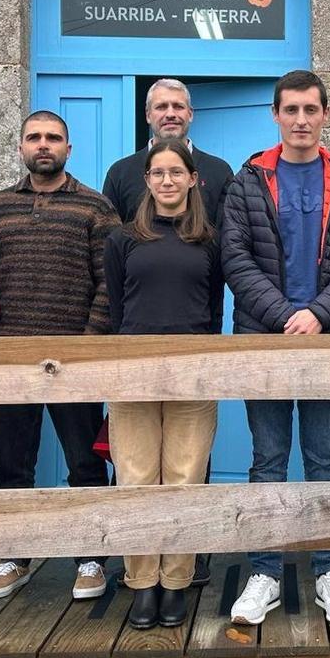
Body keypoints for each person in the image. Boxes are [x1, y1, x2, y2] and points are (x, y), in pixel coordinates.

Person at [221, 69, 330, 625]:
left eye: (311, 110)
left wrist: (318, 313)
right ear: (276, 114)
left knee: (325, 457)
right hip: (265, 339)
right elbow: (234, 258)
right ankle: (265, 571)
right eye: (292, 110)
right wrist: (289, 315)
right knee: (267, 459)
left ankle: (329, 569)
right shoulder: (249, 179)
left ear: (325, 115)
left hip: (327, 340)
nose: (302, 121)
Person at [0, 111, 118, 602]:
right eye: (34, 137)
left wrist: (85, 343)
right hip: (10, 362)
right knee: (12, 466)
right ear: (21, 147)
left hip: (74, 360)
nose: (43, 145)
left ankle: (91, 556)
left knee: (84, 463)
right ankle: (16, 554)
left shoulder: (96, 208)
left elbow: (109, 284)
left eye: (53, 138)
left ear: (68, 149)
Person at [102, 78, 233, 586]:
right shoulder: (122, 202)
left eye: (179, 105)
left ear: (193, 179)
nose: (166, 180)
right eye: (161, 106)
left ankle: (180, 575)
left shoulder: (219, 187)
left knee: (185, 473)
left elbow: (215, 295)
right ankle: (141, 580)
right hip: (134, 364)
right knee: (136, 476)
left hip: (193, 361)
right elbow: (117, 299)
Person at [103, 78, 234, 224]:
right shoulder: (120, 173)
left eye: (178, 106)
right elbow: (110, 238)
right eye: (161, 107)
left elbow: (228, 237)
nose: (170, 114)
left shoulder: (220, 171)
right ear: (148, 115)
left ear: (190, 114)